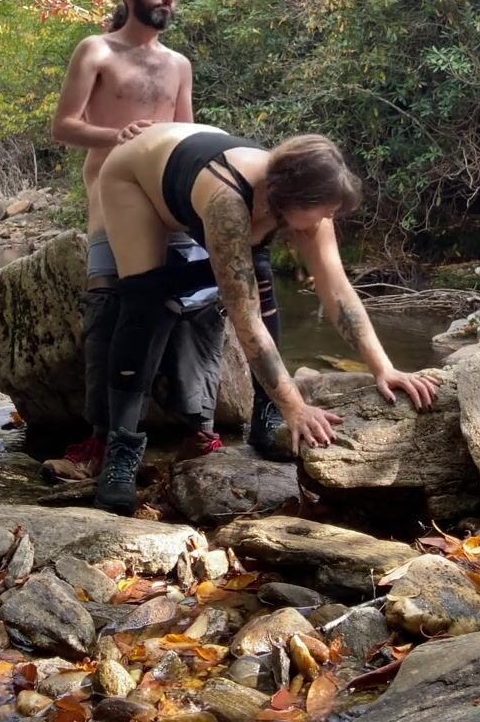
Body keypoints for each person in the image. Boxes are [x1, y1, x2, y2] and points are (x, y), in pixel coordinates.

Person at [94, 122, 439, 513]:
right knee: (145, 299)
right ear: (292, 199)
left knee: (261, 279)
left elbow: (338, 292)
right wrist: (296, 405)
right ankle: (121, 448)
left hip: (204, 164)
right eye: (323, 212)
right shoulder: (227, 201)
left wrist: (383, 368)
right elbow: (245, 318)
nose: (326, 219)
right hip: (137, 175)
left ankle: (264, 415)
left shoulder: (308, 202)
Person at [43, 0, 283, 481]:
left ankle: (200, 431)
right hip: (112, 194)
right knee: (111, 306)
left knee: (197, 305)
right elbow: (63, 127)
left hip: (170, 195)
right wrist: (118, 136)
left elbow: (188, 134)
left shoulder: (179, 63)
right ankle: (101, 442)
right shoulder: (96, 50)